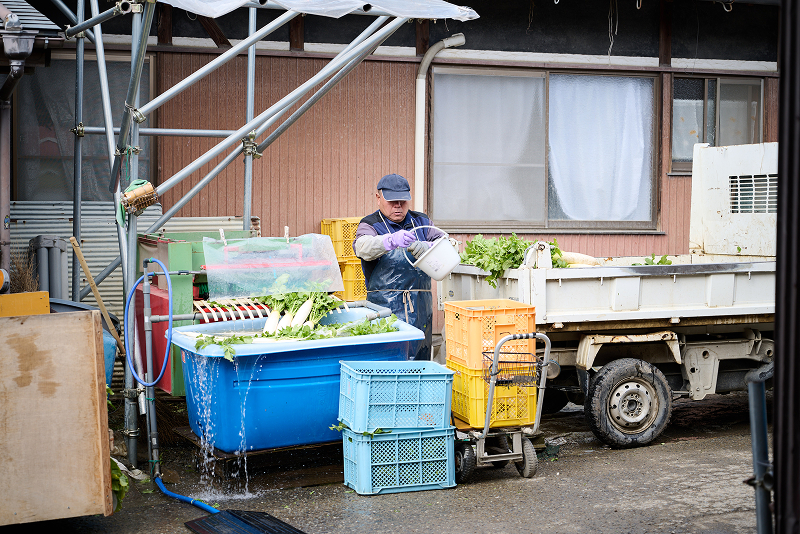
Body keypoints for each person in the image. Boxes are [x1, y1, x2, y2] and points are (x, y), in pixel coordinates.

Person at [353, 173, 444, 360]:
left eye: (402, 201)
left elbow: (447, 245)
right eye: (392, 201)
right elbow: (362, 247)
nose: (398, 206)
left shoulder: (422, 222)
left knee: (420, 361)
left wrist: (430, 247)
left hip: (421, 308)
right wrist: (389, 241)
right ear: (378, 198)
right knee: (389, 359)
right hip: (385, 309)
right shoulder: (369, 224)